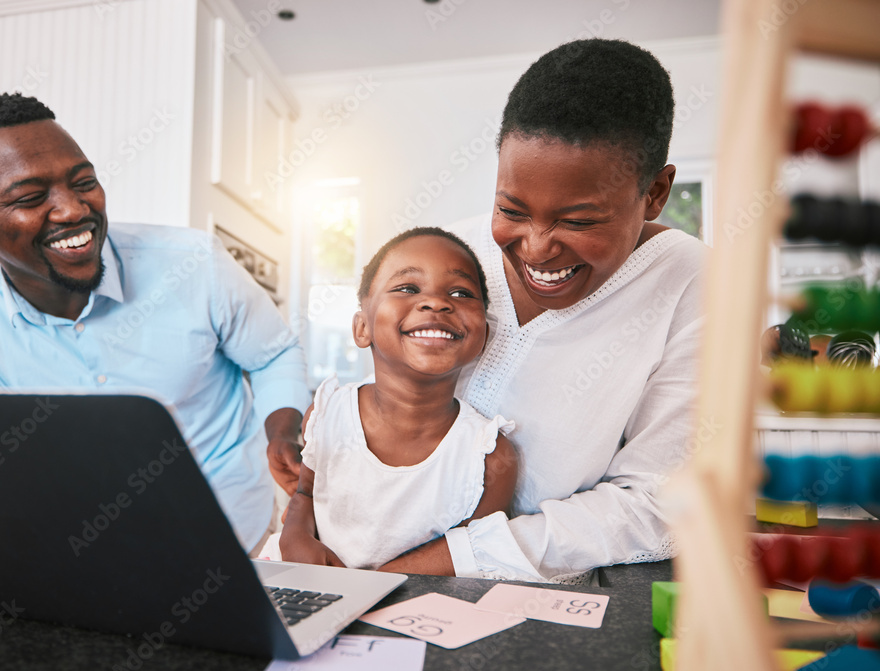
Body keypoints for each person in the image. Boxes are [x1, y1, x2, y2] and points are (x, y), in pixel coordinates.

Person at [272, 38, 706, 583]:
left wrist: (404, 575)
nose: (537, 247)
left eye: (579, 221)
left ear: (656, 193)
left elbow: (656, 504)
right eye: (511, 209)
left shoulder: (695, 283)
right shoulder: (447, 254)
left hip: (530, 592)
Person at [0, 92, 308, 552]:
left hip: (226, 531)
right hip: (77, 543)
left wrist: (281, 431)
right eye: (30, 197)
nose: (73, 210)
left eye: (83, 181)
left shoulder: (194, 263)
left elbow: (274, 355)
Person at [273, 228, 518, 570]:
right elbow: (306, 494)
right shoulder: (328, 413)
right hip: (313, 586)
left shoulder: (489, 456)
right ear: (362, 328)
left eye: (461, 292)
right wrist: (294, 537)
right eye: (407, 288)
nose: (436, 302)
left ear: (483, 336)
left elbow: (471, 558)